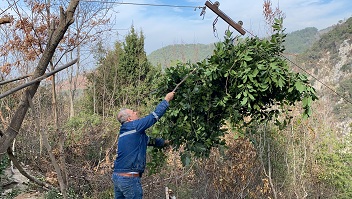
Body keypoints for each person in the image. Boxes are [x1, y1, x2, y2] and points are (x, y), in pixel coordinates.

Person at [112, 91, 175, 199]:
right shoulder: (134, 126)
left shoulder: (126, 132)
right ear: (129, 119)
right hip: (129, 178)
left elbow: (148, 140)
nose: (136, 112)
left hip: (118, 177)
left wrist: (165, 143)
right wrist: (166, 100)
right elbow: (154, 116)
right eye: (133, 112)